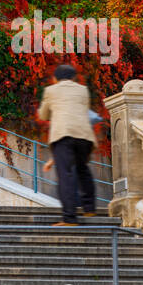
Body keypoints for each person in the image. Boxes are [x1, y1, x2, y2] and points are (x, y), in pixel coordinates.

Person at [38, 64, 96, 227]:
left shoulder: (51, 90)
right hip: (85, 136)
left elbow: (43, 114)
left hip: (63, 134)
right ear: (74, 77)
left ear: (55, 78)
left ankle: (70, 218)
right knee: (83, 169)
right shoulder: (83, 90)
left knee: (66, 175)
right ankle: (89, 208)